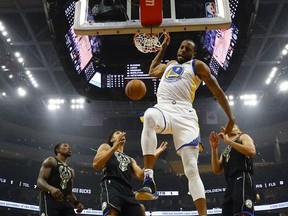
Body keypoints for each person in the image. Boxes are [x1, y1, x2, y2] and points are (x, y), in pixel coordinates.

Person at [135, 32, 235, 216]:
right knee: (149, 115)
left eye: (188, 49)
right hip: (163, 108)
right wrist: (163, 48)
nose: (183, 50)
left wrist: (231, 118)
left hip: (185, 114)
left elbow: (217, 90)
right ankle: (149, 179)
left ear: (193, 53)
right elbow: (151, 70)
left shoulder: (196, 65)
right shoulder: (170, 65)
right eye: (182, 47)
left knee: (190, 167)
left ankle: (202, 214)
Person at [93, 130, 167, 216]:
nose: (121, 134)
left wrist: (154, 155)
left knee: (141, 209)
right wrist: (114, 147)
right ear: (112, 139)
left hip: (128, 191)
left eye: (122, 133)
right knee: (112, 213)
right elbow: (96, 164)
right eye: (117, 133)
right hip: (112, 187)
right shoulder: (106, 147)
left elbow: (141, 175)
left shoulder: (130, 159)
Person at [209, 124, 256, 216]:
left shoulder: (243, 136)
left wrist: (229, 141)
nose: (229, 127)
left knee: (242, 213)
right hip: (230, 182)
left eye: (233, 126)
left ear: (239, 131)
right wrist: (214, 149)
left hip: (242, 177)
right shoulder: (226, 150)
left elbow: (251, 151)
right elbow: (216, 170)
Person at [37, 142, 85, 216]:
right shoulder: (51, 160)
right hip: (49, 198)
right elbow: (40, 180)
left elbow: (69, 192)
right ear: (57, 150)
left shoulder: (71, 170)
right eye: (65, 146)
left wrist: (77, 203)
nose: (68, 148)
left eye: (69, 147)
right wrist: (51, 188)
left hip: (64, 201)